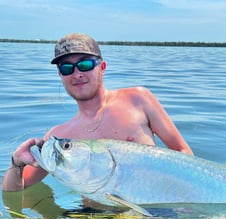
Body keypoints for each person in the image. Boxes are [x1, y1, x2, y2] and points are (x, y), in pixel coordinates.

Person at [2, 33, 193, 192]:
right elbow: (17, 189)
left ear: (102, 67)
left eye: (85, 64)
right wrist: (16, 163)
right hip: (92, 218)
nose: (77, 74)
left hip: (153, 214)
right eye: (67, 68)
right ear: (60, 75)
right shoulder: (58, 138)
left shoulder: (138, 99)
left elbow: (183, 152)